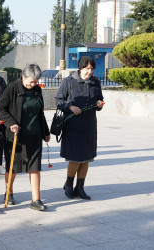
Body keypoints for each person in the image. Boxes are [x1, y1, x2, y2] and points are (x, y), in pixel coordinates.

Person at [0, 64, 50, 211]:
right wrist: (11, 123)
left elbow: (40, 113)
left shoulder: (37, 90)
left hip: (34, 134)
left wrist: (45, 131)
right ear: (23, 77)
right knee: (13, 167)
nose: (32, 84)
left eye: (35, 81)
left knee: (35, 167)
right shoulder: (12, 88)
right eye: (30, 81)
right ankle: (9, 192)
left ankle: (36, 199)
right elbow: (2, 109)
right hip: (16, 135)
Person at [55, 56, 104, 200]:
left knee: (87, 158)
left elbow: (99, 99)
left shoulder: (96, 82)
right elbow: (58, 100)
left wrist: (99, 104)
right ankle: (69, 185)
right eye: (87, 68)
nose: (89, 71)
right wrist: (70, 107)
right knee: (75, 158)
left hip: (89, 125)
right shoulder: (69, 82)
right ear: (80, 68)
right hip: (73, 126)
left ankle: (80, 187)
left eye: (92, 68)